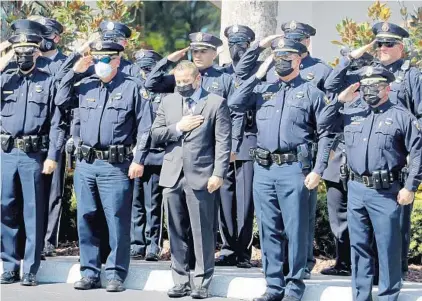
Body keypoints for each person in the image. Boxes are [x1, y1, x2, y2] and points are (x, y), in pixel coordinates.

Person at [229, 39, 331, 301]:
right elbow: (236, 102)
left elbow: (326, 135)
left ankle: (295, 285)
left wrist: (318, 169)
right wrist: (259, 73)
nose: (282, 60)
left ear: (299, 59)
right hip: (263, 169)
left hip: (294, 169)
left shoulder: (312, 93)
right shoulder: (263, 90)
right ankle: (274, 286)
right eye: (278, 56)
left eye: (288, 56)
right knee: (268, 228)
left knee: (295, 229)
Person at [324, 21, 422, 279]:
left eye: (389, 44)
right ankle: (356, 268)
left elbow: (419, 117)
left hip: (393, 156)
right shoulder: (367, 71)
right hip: (357, 152)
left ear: (401, 47)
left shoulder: (411, 75)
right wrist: (353, 55)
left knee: (394, 224)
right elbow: (332, 85)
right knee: (355, 221)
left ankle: (394, 272)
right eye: (379, 44)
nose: (383, 48)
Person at [55, 39, 152, 292]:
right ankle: (89, 271)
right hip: (86, 164)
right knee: (86, 217)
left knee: (117, 220)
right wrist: (75, 70)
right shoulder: (85, 85)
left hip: (116, 165)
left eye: (106, 59)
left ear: (118, 60)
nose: (101, 64)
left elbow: (145, 127)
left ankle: (116, 274)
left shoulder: (133, 87)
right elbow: (60, 98)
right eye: (97, 59)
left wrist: (139, 159)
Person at [151, 60, 231, 299]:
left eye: (186, 82)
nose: (182, 86)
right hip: (172, 175)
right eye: (179, 82)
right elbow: (155, 134)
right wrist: (179, 127)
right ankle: (180, 279)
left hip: (202, 175)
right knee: (175, 230)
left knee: (202, 230)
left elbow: (223, 142)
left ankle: (202, 282)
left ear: (198, 80)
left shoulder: (216, 103)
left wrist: (218, 173)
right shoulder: (168, 101)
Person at [0, 19, 64, 286]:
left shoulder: (51, 75)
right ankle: (9, 265)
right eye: (20, 48)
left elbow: (57, 121)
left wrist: (52, 155)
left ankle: (31, 269)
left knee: (33, 212)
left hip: (34, 154)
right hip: (5, 153)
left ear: (38, 47)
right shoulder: (5, 76)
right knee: (5, 208)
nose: (24, 53)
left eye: (29, 48)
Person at [215, 24, 256, 268]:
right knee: (225, 200)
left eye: (241, 45)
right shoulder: (221, 75)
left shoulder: (258, 74)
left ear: (249, 47)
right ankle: (228, 249)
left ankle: (243, 252)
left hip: (247, 143)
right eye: (232, 45)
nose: (236, 49)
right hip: (222, 144)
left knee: (244, 202)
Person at [130, 49, 165, 261]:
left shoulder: (165, 92)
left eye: (148, 68)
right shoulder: (132, 88)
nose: (145, 72)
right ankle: (136, 243)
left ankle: (153, 244)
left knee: (152, 202)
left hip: (154, 154)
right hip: (132, 154)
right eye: (142, 68)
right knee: (135, 202)